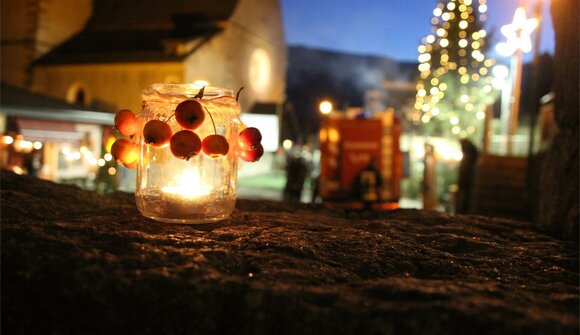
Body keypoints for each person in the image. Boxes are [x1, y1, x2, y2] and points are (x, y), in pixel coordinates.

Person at [456, 139, 479, 214]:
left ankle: (462, 212)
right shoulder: (471, 155)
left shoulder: (469, 158)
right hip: (467, 180)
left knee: (465, 198)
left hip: (467, 180)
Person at [422, 143, 438, 210]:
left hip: (429, 182)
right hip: (428, 181)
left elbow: (430, 172)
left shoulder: (430, 158)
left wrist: (428, 182)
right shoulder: (429, 158)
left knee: (429, 198)